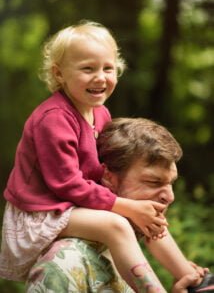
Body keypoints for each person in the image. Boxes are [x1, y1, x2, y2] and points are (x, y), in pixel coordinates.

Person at [0, 20, 169, 293]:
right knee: (116, 223)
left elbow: (103, 170)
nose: (100, 77)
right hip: (42, 211)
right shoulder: (53, 118)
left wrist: (135, 203)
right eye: (87, 69)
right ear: (59, 74)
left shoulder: (100, 113)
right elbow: (66, 184)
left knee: (145, 205)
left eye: (108, 68)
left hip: (73, 204)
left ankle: (186, 275)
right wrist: (124, 207)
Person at [26, 118, 214, 293]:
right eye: (153, 182)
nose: (170, 197)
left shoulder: (127, 252)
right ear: (109, 177)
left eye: (170, 183)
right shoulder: (65, 263)